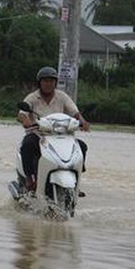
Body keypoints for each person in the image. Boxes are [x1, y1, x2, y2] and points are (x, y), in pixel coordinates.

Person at [17, 66, 91, 195]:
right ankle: (30, 179)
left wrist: (82, 121)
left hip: (62, 136)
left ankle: (76, 181)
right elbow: (22, 113)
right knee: (27, 145)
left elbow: (75, 111)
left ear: (55, 82)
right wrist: (26, 121)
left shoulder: (62, 96)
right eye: (45, 81)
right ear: (39, 83)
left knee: (82, 146)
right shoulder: (32, 97)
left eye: (51, 81)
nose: (48, 84)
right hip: (39, 135)